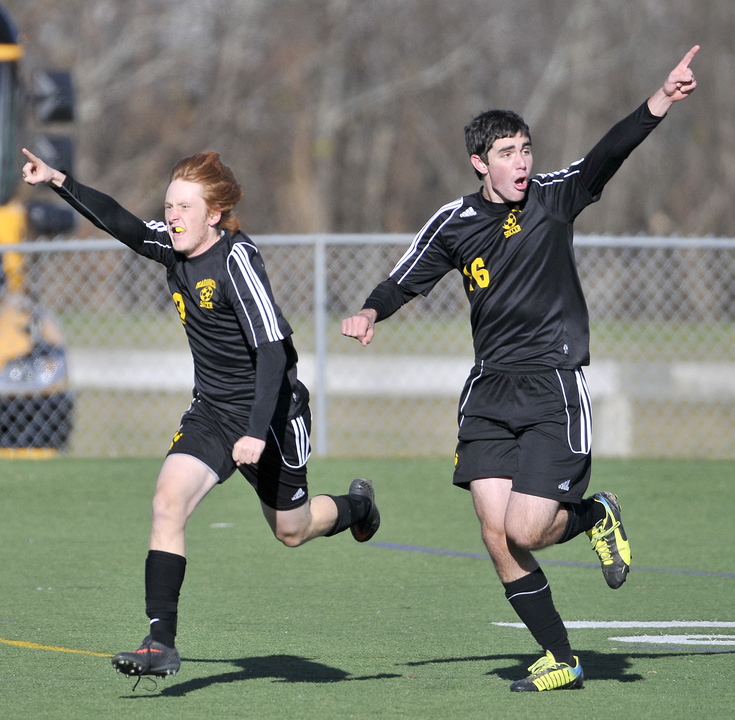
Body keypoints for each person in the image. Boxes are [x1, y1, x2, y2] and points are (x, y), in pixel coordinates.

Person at [342, 46, 699, 692]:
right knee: (495, 531)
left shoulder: (554, 199)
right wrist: (370, 311)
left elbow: (606, 154)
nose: (521, 162)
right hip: (488, 393)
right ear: (479, 162)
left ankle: (593, 515)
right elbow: (405, 277)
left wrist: (659, 102)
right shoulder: (455, 223)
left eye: (525, 149)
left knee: (527, 527)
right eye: (506, 153)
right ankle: (560, 657)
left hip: (552, 386)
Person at [21, 149, 380, 681]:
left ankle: (357, 507)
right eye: (169, 206)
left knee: (292, 529)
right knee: (167, 501)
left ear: (213, 213)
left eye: (184, 207)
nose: (173, 217)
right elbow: (119, 221)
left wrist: (257, 432)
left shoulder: (237, 259)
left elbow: (275, 352)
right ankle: (160, 643)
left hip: (271, 413)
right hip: (212, 412)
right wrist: (57, 180)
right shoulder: (171, 247)